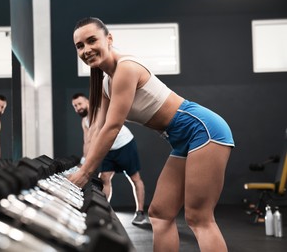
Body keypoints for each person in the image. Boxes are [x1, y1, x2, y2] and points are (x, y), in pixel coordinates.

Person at [68, 17, 234, 252]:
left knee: (199, 218)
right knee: (160, 214)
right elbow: (97, 128)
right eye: (80, 46)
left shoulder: (125, 68)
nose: (86, 50)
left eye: (91, 40)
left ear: (109, 39)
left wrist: (85, 173)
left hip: (202, 129)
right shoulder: (106, 82)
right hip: (180, 139)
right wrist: (82, 166)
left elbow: (112, 128)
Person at [71, 92, 148, 225]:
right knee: (104, 178)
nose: (78, 107)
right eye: (75, 106)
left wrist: (84, 165)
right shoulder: (85, 121)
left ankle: (140, 213)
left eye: (79, 104)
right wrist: (83, 161)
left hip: (124, 144)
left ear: (87, 102)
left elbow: (93, 139)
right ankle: (104, 210)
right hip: (108, 149)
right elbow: (87, 141)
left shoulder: (99, 113)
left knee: (135, 178)